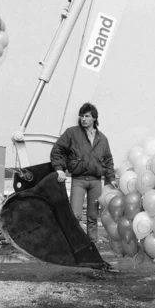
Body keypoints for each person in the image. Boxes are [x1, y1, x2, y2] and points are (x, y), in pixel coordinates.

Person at [50, 102, 118, 243]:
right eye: (81, 116)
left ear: (94, 118)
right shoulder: (71, 133)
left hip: (95, 182)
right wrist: (59, 169)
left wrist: (111, 178)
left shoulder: (103, 139)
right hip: (78, 180)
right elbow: (57, 149)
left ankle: (91, 243)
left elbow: (108, 160)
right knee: (75, 215)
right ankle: (76, 243)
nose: (83, 119)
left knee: (93, 216)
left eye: (87, 116)